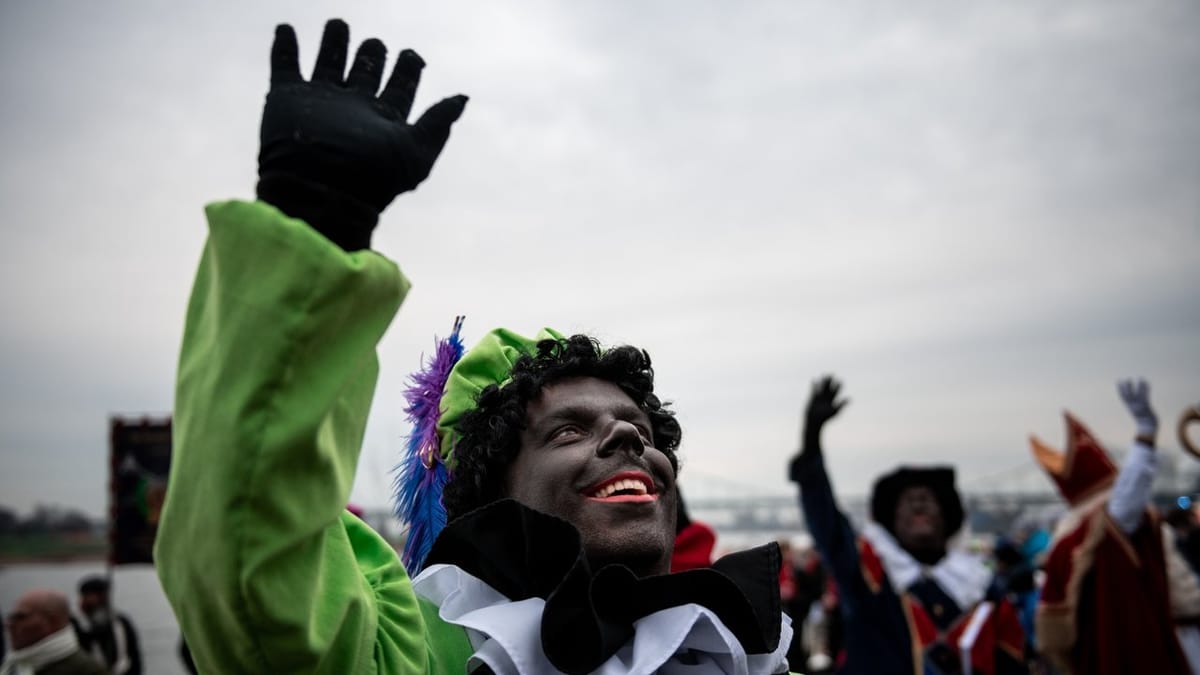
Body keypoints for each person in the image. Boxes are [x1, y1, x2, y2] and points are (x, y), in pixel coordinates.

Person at [154, 18, 792, 674]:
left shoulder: (748, 657)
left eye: (637, 427)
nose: (629, 439)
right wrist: (314, 224)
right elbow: (254, 560)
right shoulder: (426, 653)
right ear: (493, 496)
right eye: (567, 430)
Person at [788, 376, 1026, 674]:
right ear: (891, 519)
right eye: (908, 500)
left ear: (947, 516)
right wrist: (811, 440)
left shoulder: (983, 587)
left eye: (928, 499)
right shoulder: (868, 574)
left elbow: (1012, 661)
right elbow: (828, 524)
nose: (919, 504)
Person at [1032, 379, 1197, 674]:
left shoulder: (1073, 539)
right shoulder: (1102, 526)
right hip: (1157, 640)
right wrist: (1145, 438)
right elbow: (1127, 499)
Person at [1, 590, 106, 675]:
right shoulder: (16, 664)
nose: (10, 625)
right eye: (11, 617)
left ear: (52, 621)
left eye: (21, 617)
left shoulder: (85, 670)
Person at [73, 576, 141, 675]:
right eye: (98, 595)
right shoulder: (75, 624)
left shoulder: (121, 621)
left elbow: (134, 656)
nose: (104, 599)